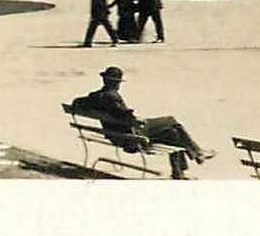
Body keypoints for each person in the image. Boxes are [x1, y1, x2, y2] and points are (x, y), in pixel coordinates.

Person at [70, 66, 215, 179]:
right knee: (173, 122)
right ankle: (197, 153)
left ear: (104, 80)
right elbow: (124, 115)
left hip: (116, 135)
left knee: (173, 133)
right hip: (131, 136)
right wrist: (137, 119)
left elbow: (77, 102)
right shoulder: (112, 96)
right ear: (117, 83)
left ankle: (184, 166)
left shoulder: (95, 96)